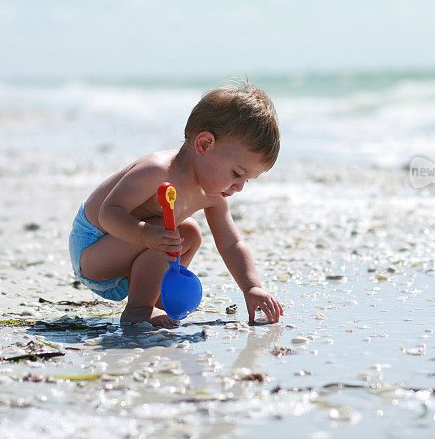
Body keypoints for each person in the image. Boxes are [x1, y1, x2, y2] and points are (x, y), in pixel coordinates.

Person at [68, 81, 285, 327]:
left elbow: (232, 243)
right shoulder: (157, 170)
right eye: (237, 174)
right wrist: (145, 234)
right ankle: (138, 310)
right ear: (204, 144)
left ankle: (159, 299)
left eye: (247, 180)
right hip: (93, 250)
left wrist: (252, 287)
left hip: (129, 257)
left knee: (190, 232)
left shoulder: (213, 195)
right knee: (168, 229)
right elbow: (109, 213)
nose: (239, 187)